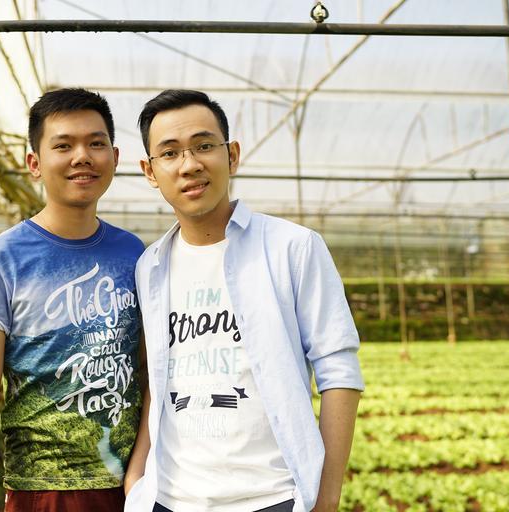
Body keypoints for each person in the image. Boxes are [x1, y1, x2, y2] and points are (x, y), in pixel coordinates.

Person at [123, 90, 363, 512]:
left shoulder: (293, 247)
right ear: (150, 171)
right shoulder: (151, 266)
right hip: (170, 499)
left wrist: (325, 499)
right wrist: (137, 478)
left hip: (273, 497)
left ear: (231, 155)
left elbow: (339, 370)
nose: (189, 165)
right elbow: (158, 381)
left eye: (204, 146)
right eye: (170, 153)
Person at [0, 88, 145, 512]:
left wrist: (140, 473)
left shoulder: (135, 254)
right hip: (40, 490)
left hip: (129, 488)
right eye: (63, 146)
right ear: (35, 163)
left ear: (114, 157)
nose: (82, 156)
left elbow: (146, 373)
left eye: (96, 143)